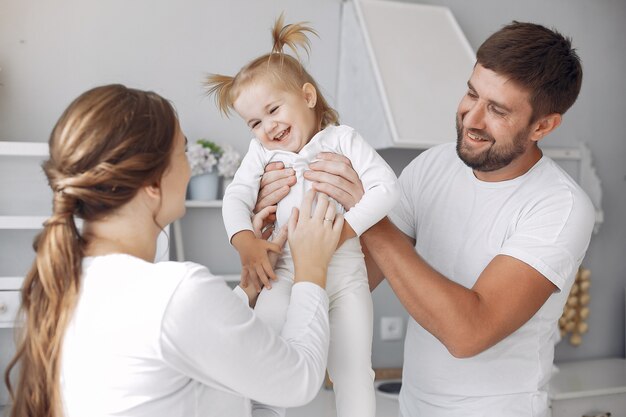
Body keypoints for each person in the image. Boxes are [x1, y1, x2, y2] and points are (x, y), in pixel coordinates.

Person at [257, 21, 596, 417]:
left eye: (498, 110)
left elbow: (468, 333)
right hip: (414, 407)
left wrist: (371, 211)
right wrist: (275, 238)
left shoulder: (560, 206)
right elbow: (356, 274)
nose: (472, 118)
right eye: (472, 93)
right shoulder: (435, 164)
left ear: (543, 125)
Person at [3, 84, 345, 417]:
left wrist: (248, 292)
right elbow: (298, 381)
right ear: (153, 184)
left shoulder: (69, 282)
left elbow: (176, 342)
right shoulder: (176, 293)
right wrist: (310, 270)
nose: (190, 167)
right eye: (182, 151)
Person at [204, 15, 399, 417]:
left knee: (353, 373)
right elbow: (235, 197)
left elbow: (386, 189)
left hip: (346, 275)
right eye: (254, 122)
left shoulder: (344, 139)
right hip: (286, 272)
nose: (267, 127)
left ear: (308, 96)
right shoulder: (261, 154)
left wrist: (342, 231)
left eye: (273, 109)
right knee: (269, 363)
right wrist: (245, 241)